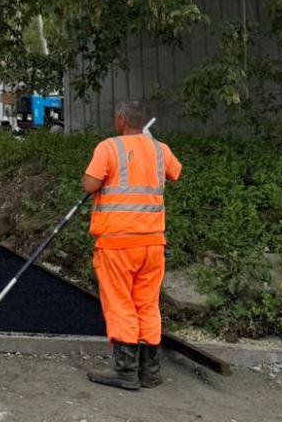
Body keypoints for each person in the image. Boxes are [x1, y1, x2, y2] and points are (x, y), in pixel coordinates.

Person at [80, 101, 182, 391]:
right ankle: (150, 371)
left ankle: (125, 370)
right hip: (153, 244)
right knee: (147, 305)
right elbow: (176, 172)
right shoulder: (160, 149)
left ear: (122, 119)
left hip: (118, 244)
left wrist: (87, 180)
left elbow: (89, 184)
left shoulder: (109, 148)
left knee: (121, 303)